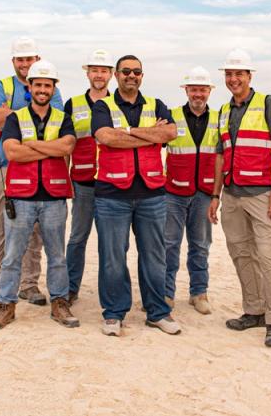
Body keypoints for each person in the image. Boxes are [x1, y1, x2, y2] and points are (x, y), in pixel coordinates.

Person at [0, 60, 79, 331]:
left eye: (47, 85)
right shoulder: (15, 118)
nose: (42, 89)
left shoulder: (63, 118)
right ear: (30, 87)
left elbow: (67, 147)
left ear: (53, 88)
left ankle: (60, 303)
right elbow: (12, 151)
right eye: (38, 84)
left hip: (53, 197)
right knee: (13, 255)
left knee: (57, 255)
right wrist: (50, 147)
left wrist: (32, 146)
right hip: (22, 196)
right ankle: (6, 305)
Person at [91, 54, 181, 336]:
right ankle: (114, 313)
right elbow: (106, 137)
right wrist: (147, 134)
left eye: (137, 72)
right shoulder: (103, 105)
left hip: (152, 194)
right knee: (112, 256)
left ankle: (157, 312)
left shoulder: (157, 104)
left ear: (142, 76)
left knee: (155, 256)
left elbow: (170, 133)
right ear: (116, 75)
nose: (132, 76)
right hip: (111, 195)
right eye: (126, 71)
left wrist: (128, 133)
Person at [208, 48, 271, 348]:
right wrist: (215, 195)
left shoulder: (268, 103)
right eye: (229, 74)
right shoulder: (224, 111)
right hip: (231, 195)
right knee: (241, 254)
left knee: (267, 256)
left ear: (249, 76)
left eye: (238, 74)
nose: (233, 79)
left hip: (262, 195)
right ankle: (254, 310)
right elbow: (220, 155)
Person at [0, 37, 63, 307]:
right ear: (13, 61)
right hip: (2, 165)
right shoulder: (1, 86)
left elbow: (57, 119)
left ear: (38, 60)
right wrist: (31, 112)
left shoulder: (51, 87)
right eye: (20, 59)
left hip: (37, 168)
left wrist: (11, 114)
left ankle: (28, 284)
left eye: (30, 59)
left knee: (34, 229)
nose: (25, 64)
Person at [163, 66, 220, 315]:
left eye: (203, 89)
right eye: (194, 89)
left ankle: (199, 293)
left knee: (200, 245)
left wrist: (217, 194)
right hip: (173, 192)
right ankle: (166, 293)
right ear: (186, 90)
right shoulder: (171, 116)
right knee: (169, 244)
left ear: (209, 91)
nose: (198, 94)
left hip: (204, 193)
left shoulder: (220, 119)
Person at [64, 49, 115, 304]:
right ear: (88, 73)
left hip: (112, 183)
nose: (99, 75)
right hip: (82, 183)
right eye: (94, 70)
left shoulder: (118, 104)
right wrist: (64, 180)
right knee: (77, 238)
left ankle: (109, 292)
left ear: (111, 74)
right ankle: (71, 288)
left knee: (109, 243)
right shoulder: (73, 104)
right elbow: (66, 145)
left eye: (104, 70)